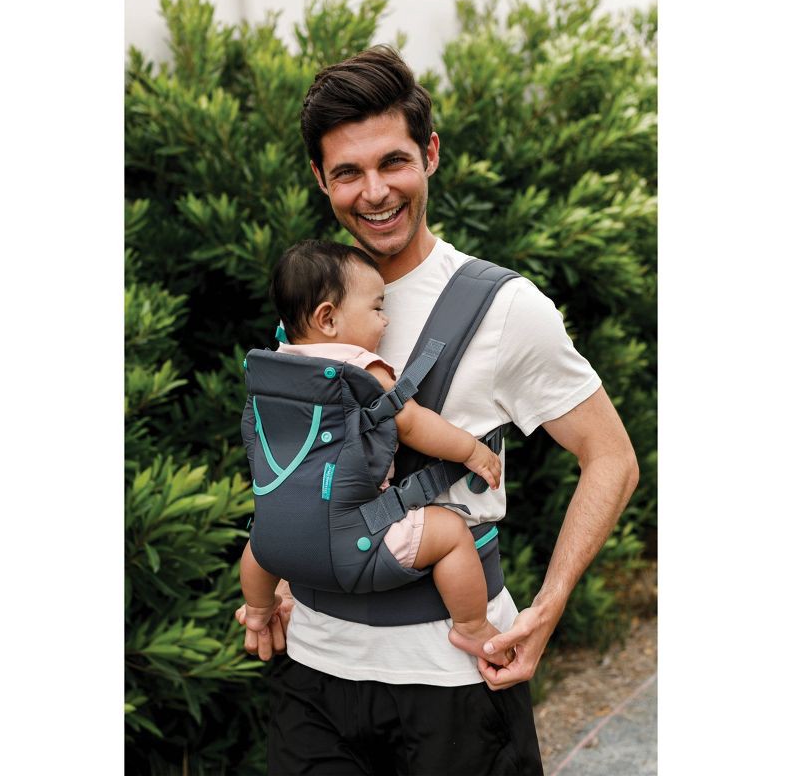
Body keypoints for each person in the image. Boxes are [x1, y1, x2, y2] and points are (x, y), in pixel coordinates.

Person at [236, 45, 639, 775]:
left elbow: (609, 457)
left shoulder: (506, 308)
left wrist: (549, 605)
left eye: (393, 162)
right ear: (321, 179)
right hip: (313, 673)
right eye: (348, 172)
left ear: (430, 154)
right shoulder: (312, 310)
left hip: (453, 679)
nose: (375, 192)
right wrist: (287, 575)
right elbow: (310, 466)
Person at [239, 238, 513, 665]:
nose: (385, 321)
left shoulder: (272, 369)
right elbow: (414, 423)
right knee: (451, 534)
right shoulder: (360, 369)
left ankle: (257, 611)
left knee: (256, 547)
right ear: (328, 318)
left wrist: (263, 603)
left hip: (274, 541)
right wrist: (472, 452)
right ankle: (472, 626)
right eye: (377, 308)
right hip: (355, 542)